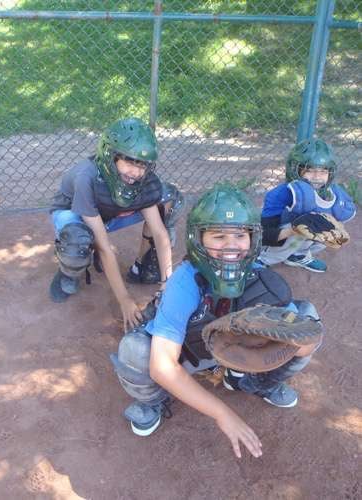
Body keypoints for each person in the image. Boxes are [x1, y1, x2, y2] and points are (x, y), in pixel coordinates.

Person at [111, 184, 321, 459]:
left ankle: (253, 381)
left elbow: (307, 343)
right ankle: (154, 401)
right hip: (190, 353)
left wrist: (277, 350)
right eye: (218, 236)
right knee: (136, 350)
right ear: (197, 239)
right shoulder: (185, 281)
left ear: (253, 239)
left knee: (307, 319)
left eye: (240, 235)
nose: (231, 245)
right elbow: (162, 366)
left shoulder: (260, 278)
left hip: (234, 351)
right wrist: (223, 414)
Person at [49, 117, 183, 332]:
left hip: (109, 214)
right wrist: (124, 300)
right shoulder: (87, 176)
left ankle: (142, 267)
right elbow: (103, 247)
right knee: (79, 239)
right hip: (74, 215)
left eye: (142, 165)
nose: (137, 172)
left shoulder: (143, 179)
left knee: (165, 202)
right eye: (130, 162)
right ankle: (69, 270)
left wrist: (167, 283)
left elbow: (159, 232)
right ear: (110, 156)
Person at [259, 138, 356, 272]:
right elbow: (265, 235)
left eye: (323, 171)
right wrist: (295, 230)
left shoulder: (330, 194)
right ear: (296, 170)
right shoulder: (279, 194)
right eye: (310, 171)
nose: (317, 177)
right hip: (278, 237)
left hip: (298, 237)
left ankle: (297, 255)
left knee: (329, 227)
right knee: (303, 229)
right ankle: (263, 259)